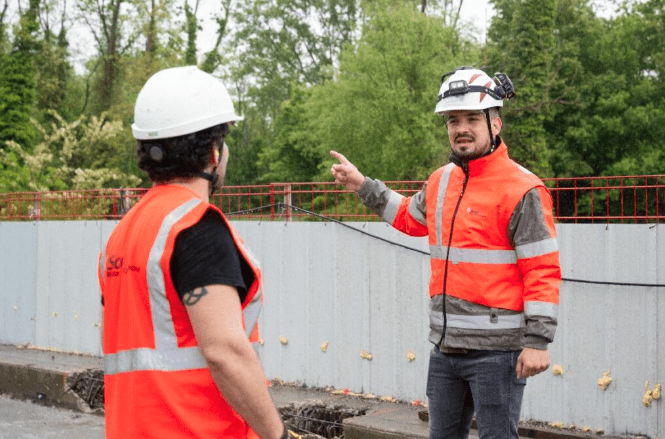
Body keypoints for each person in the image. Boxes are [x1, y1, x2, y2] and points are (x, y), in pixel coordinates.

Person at [330, 66, 561, 439]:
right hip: (445, 350)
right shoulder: (441, 180)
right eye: (454, 120)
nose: (461, 128)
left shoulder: (523, 189)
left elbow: (542, 271)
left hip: (498, 354)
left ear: (495, 124)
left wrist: (537, 342)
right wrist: (362, 185)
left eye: (472, 118)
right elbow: (409, 218)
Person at [97, 66, 287, 439]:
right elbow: (225, 352)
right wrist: (276, 435)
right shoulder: (196, 228)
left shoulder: (123, 233)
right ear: (214, 152)